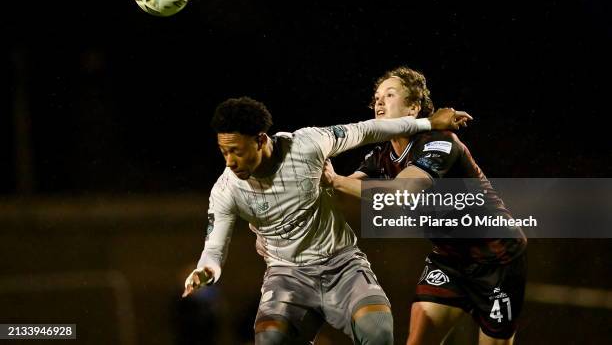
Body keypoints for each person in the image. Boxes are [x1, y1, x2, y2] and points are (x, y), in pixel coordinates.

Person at [182, 96, 471, 345]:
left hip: (342, 266)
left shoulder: (307, 144)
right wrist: (205, 270)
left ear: (260, 140)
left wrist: (428, 124)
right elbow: (215, 247)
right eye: (224, 152)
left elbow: (367, 130)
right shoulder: (225, 189)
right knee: (270, 339)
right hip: (287, 277)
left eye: (236, 151)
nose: (229, 161)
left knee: (379, 329)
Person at [322, 66, 528, 345]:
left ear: (413, 108)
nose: (379, 102)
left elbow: (403, 191)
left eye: (390, 95)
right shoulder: (381, 154)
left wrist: (335, 181)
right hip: (449, 259)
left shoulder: (440, 142)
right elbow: (344, 189)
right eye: (377, 96)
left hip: (497, 258)